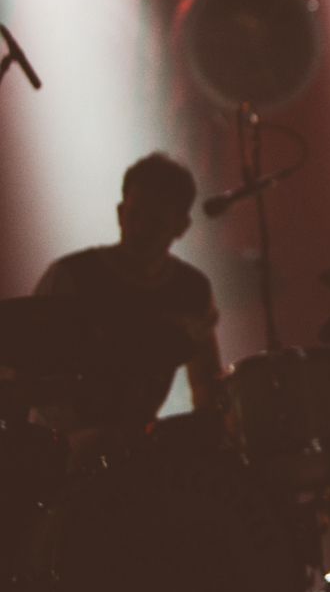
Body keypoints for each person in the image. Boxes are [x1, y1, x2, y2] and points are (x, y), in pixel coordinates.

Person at [33, 152, 223, 436]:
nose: (140, 228)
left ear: (181, 227)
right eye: (134, 214)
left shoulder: (193, 291)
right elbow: (27, 374)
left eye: (156, 221)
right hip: (61, 444)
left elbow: (206, 383)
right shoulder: (71, 277)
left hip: (134, 447)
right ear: (120, 212)